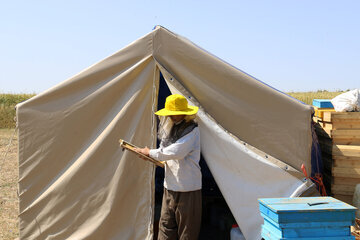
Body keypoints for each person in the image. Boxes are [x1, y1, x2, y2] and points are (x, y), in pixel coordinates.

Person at [136, 94, 202, 240]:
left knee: (187, 232)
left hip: (187, 189)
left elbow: (175, 152)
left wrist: (149, 152)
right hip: (170, 187)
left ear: (183, 113)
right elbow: (165, 157)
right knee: (166, 227)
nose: (171, 116)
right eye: (170, 113)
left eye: (174, 113)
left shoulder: (192, 130)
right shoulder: (171, 129)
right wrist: (149, 157)